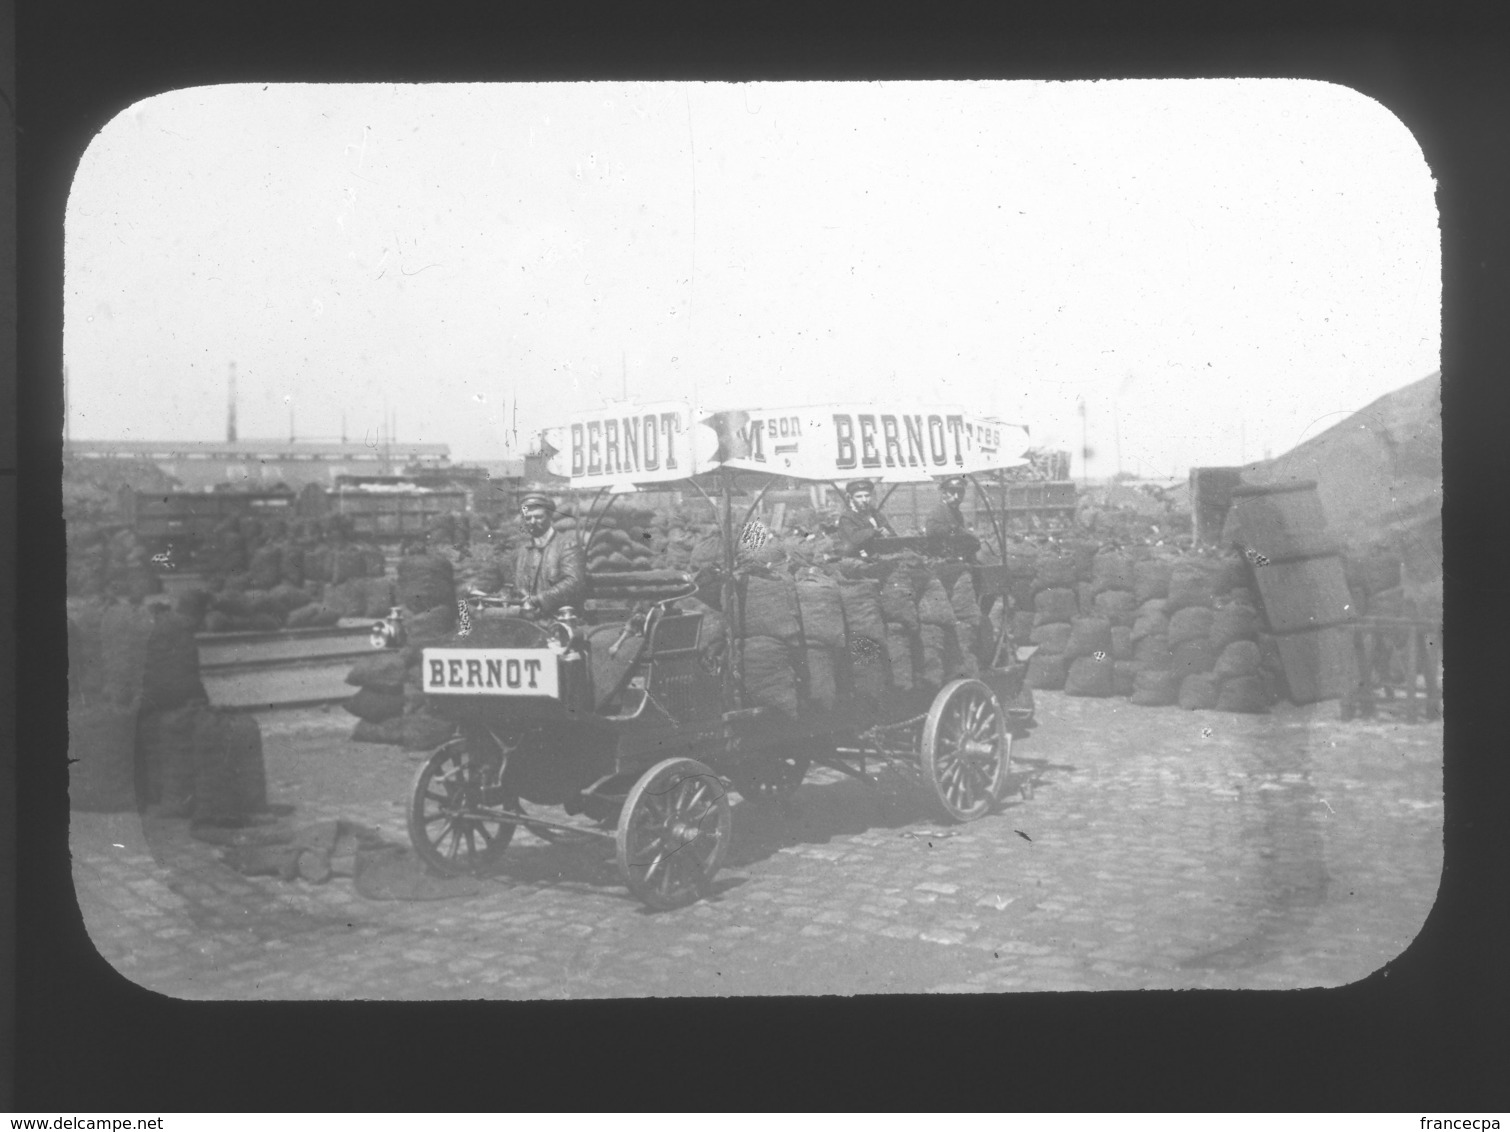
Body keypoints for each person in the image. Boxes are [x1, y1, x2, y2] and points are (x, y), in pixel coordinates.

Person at [512, 493, 586, 617]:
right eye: (528, 518)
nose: (533, 522)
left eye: (538, 516)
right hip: (528, 619)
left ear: (550, 517)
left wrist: (538, 600)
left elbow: (573, 582)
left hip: (559, 619)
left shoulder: (567, 545)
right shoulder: (523, 550)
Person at [924, 475, 982, 562]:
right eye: (952, 491)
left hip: (958, 558)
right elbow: (931, 531)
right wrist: (954, 530)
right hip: (942, 560)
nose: (956, 496)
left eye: (960, 492)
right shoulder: (937, 512)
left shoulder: (957, 513)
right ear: (944, 494)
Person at [835, 479, 897, 559]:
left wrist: (888, 533)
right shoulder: (846, 518)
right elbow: (855, 538)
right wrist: (874, 531)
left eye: (867, 496)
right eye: (859, 497)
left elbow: (894, 535)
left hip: (880, 556)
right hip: (857, 559)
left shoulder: (876, 514)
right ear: (851, 498)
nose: (864, 500)